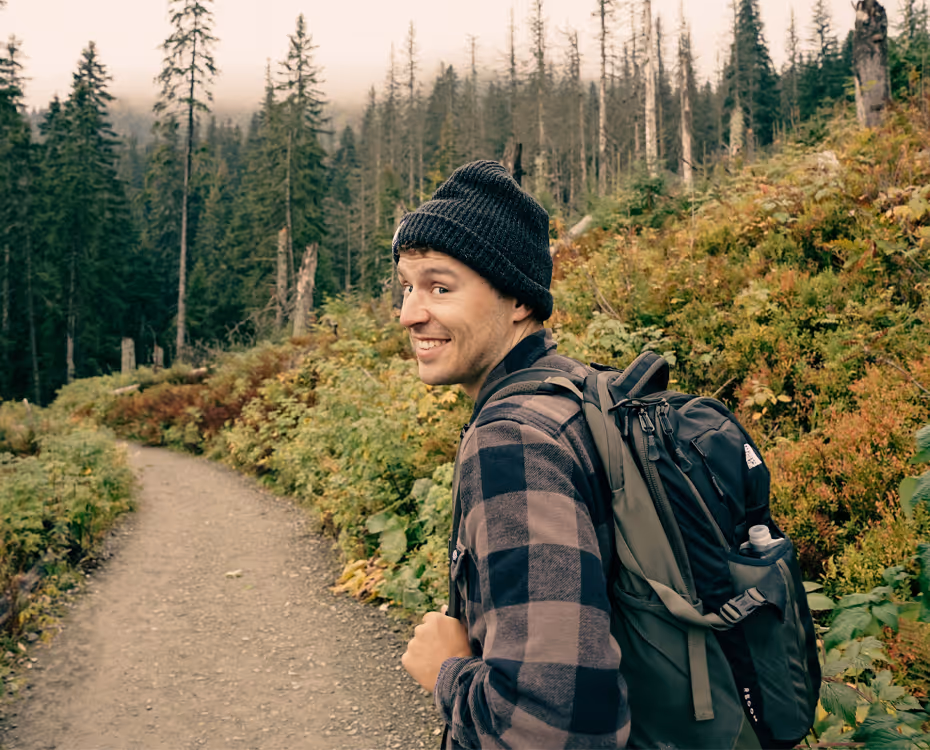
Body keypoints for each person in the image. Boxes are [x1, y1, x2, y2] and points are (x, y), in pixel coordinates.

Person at [395, 160, 631, 749]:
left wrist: (446, 672)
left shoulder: (513, 441)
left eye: (439, 287)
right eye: (407, 287)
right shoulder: (578, 394)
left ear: (519, 299)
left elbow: (549, 726)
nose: (409, 314)